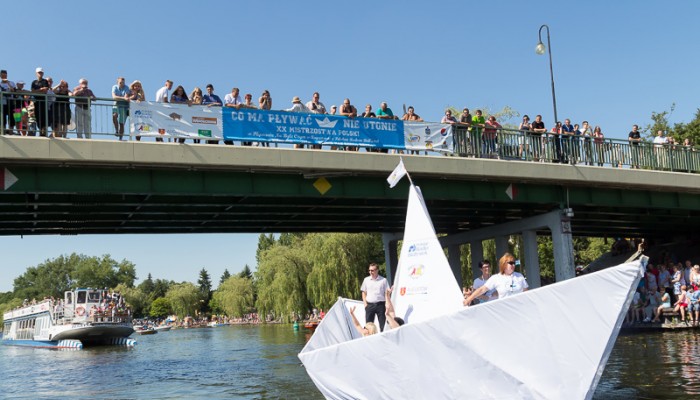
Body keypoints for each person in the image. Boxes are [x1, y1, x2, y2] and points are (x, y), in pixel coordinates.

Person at [463, 253, 528, 306]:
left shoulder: (520, 276)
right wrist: (469, 299)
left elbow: (526, 292)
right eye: (510, 263)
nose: (513, 265)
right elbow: (482, 289)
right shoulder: (496, 278)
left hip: (519, 308)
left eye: (514, 263)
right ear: (504, 264)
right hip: (504, 310)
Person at [361, 262, 388, 331]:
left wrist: (387, 304)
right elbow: (363, 292)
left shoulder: (383, 280)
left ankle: (383, 339)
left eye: (372, 270)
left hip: (380, 305)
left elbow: (387, 293)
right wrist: (365, 305)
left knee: (383, 325)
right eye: (369, 270)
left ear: (377, 270)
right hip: (369, 305)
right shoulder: (366, 280)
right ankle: (368, 340)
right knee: (368, 327)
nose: (370, 272)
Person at [31, 67, 51, 137]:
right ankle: (40, 132)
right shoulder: (34, 82)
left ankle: (43, 133)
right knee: (38, 117)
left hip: (43, 102)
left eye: (41, 72)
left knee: (43, 117)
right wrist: (41, 89)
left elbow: (45, 91)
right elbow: (32, 92)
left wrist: (38, 91)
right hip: (37, 102)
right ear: (36, 73)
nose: (40, 74)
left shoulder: (44, 81)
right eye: (39, 72)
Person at [0, 69, 17, 133]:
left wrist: (8, 83)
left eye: (5, 75)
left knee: (11, 116)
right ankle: (3, 130)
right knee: (3, 116)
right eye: (2, 75)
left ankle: (11, 131)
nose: (4, 77)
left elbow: (14, 91)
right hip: (3, 102)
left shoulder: (11, 83)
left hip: (11, 101)